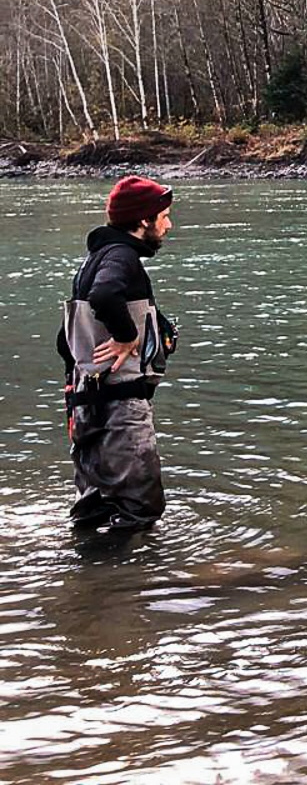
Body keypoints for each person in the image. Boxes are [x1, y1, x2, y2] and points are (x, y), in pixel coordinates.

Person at [58, 175, 179, 547]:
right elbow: (106, 295)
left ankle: (91, 583)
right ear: (143, 220)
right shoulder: (121, 257)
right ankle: (133, 593)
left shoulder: (93, 259)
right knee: (139, 510)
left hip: (88, 403)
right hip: (119, 407)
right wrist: (128, 337)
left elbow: (66, 339)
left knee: (92, 510)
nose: (168, 224)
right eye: (164, 216)